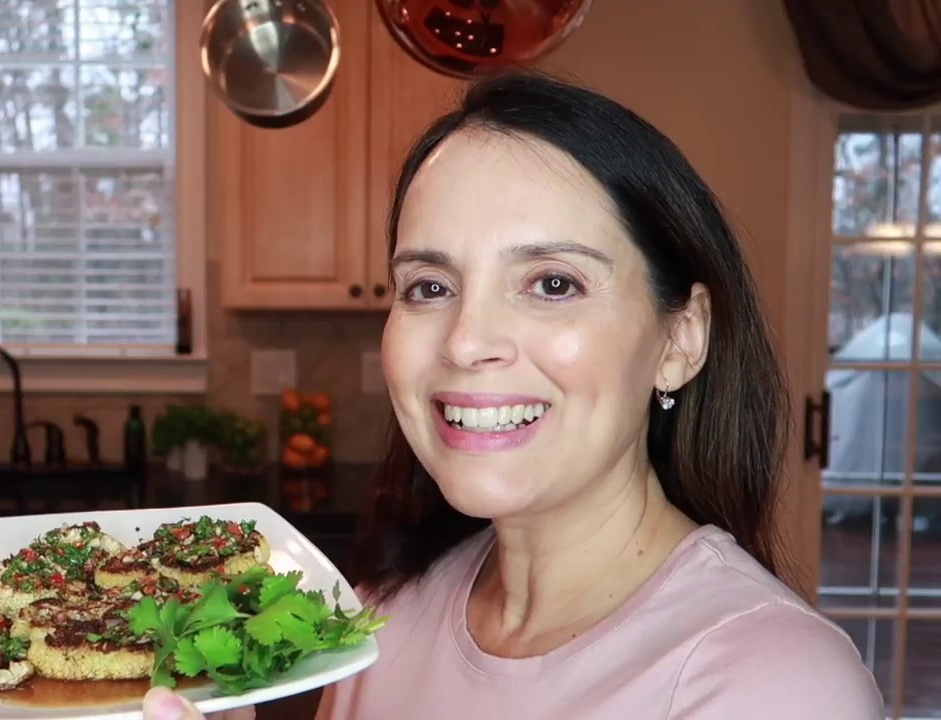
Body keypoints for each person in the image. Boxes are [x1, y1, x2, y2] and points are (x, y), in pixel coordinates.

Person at [141, 68, 884, 719]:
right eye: (430, 287)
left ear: (680, 339)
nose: (466, 341)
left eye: (553, 283)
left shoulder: (775, 684)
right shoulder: (383, 615)